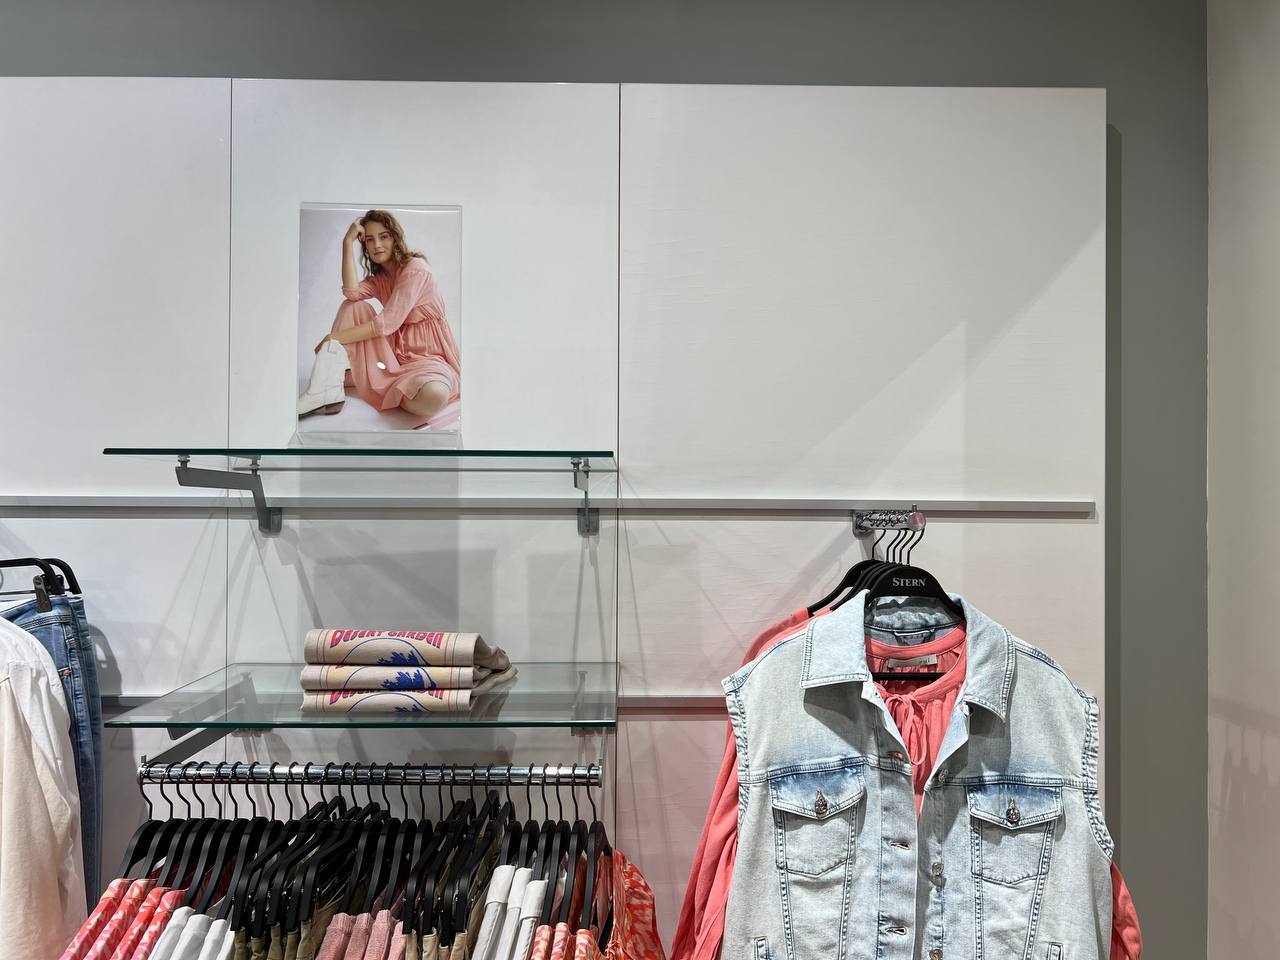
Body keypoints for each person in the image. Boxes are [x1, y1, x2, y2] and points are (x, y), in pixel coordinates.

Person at [297, 209, 461, 428]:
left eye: (384, 237)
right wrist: (347, 242)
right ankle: (331, 388)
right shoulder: (380, 279)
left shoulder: (415, 269)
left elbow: (387, 323)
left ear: (395, 238)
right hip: (395, 355)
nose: (377, 245)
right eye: (370, 240)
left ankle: (366, 382)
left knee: (435, 395)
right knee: (353, 306)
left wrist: (333, 337)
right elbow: (351, 292)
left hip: (429, 355)